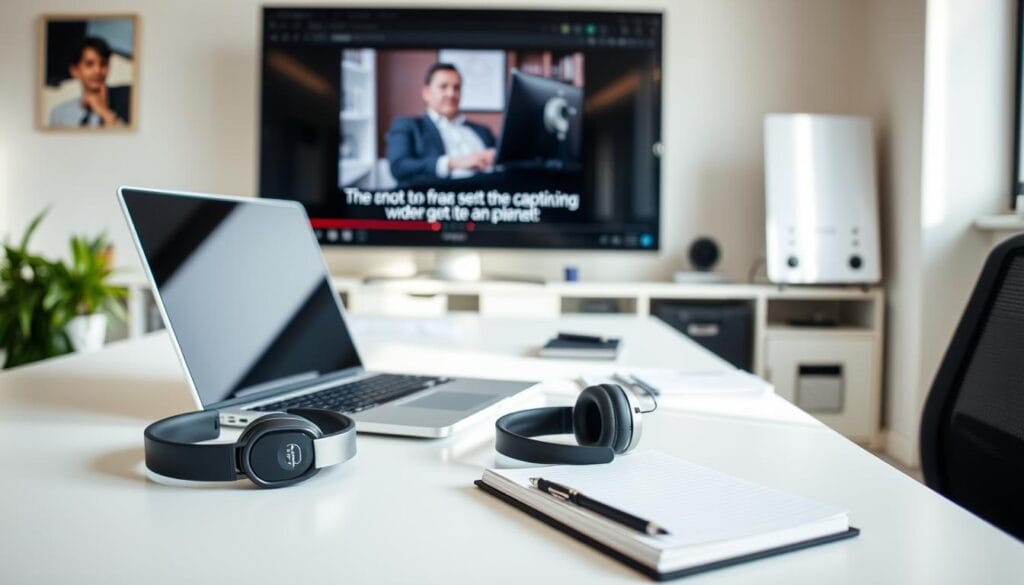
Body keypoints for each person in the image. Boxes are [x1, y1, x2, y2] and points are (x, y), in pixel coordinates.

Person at [386, 63, 497, 186]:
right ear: (426, 93)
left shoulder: (483, 131)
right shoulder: (409, 126)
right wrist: (454, 163)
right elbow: (399, 167)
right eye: (443, 87)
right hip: (438, 194)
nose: (451, 94)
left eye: (457, 88)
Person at [49, 37, 130, 128]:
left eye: (103, 64)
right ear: (74, 70)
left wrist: (104, 112)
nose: (97, 71)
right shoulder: (60, 114)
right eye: (89, 64)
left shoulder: (128, 100)